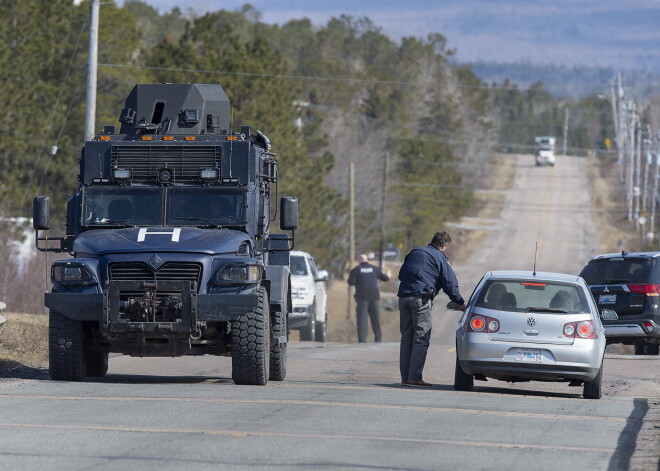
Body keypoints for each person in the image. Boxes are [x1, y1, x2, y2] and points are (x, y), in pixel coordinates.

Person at [397, 231, 466, 388]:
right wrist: (459, 301)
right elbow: (449, 282)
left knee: (407, 338)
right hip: (420, 299)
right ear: (443, 246)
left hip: (403, 297)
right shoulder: (440, 257)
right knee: (421, 338)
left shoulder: (414, 252)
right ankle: (414, 377)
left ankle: (405, 377)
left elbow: (401, 275)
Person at [348, 254, 391, 343]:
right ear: (367, 260)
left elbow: (351, 282)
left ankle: (362, 341)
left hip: (362, 297)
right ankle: (378, 339)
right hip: (374, 296)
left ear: (359, 260)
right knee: (376, 319)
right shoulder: (375, 269)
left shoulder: (356, 270)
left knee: (362, 320)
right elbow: (385, 278)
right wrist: (388, 274)